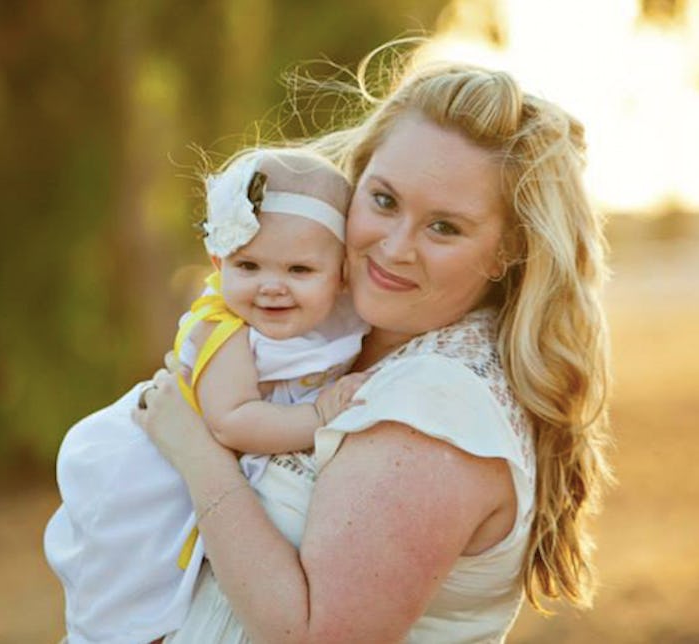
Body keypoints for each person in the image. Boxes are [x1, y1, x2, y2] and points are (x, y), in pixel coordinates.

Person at [136, 41, 613, 643]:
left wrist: (197, 452)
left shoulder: (437, 410)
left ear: (507, 251)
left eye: (444, 226)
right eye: (383, 200)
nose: (393, 246)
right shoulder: (333, 338)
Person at [44, 148, 369, 644]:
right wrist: (319, 415)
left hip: (207, 463)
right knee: (138, 585)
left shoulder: (336, 323)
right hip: (154, 467)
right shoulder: (222, 331)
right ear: (218, 262)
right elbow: (232, 422)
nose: (271, 287)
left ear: (342, 273)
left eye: (299, 271)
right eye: (249, 266)